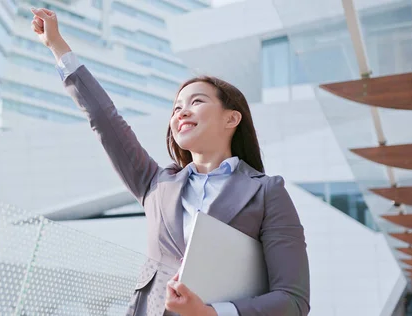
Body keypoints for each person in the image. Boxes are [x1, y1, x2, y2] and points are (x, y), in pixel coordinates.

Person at [30, 7, 310, 316]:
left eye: (197, 102)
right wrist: (57, 45)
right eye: (176, 108)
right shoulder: (155, 183)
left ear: (232, 118)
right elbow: (104, 119)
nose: (182, 112)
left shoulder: (267, 192)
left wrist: (210, 313)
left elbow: (292, 299)